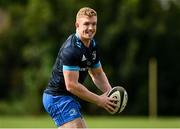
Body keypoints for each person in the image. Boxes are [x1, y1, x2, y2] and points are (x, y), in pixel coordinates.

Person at [42, 7, 117, 128]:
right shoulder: (71, 49)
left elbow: (97, 74)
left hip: (67, 98)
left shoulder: (92, 45)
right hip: (57, 98)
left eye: (94, 24)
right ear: (77, 25)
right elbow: (71, 85)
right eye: (86, 24)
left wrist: (110, 94)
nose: (91, 28)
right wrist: (99, 100)